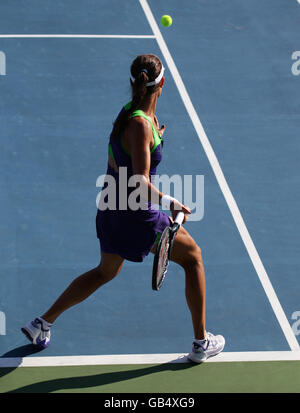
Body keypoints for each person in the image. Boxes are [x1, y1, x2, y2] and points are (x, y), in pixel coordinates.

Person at [21, 54, 225, 363]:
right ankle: (200, 344)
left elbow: (129, 161)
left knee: (106, 271)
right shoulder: (141, 126)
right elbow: (140, 183)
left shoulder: (130, 114)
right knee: (194, 257)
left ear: (135, 83)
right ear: (163, 83)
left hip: (111, 208)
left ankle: (42, 323)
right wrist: (172, 203)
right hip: (136, 215)